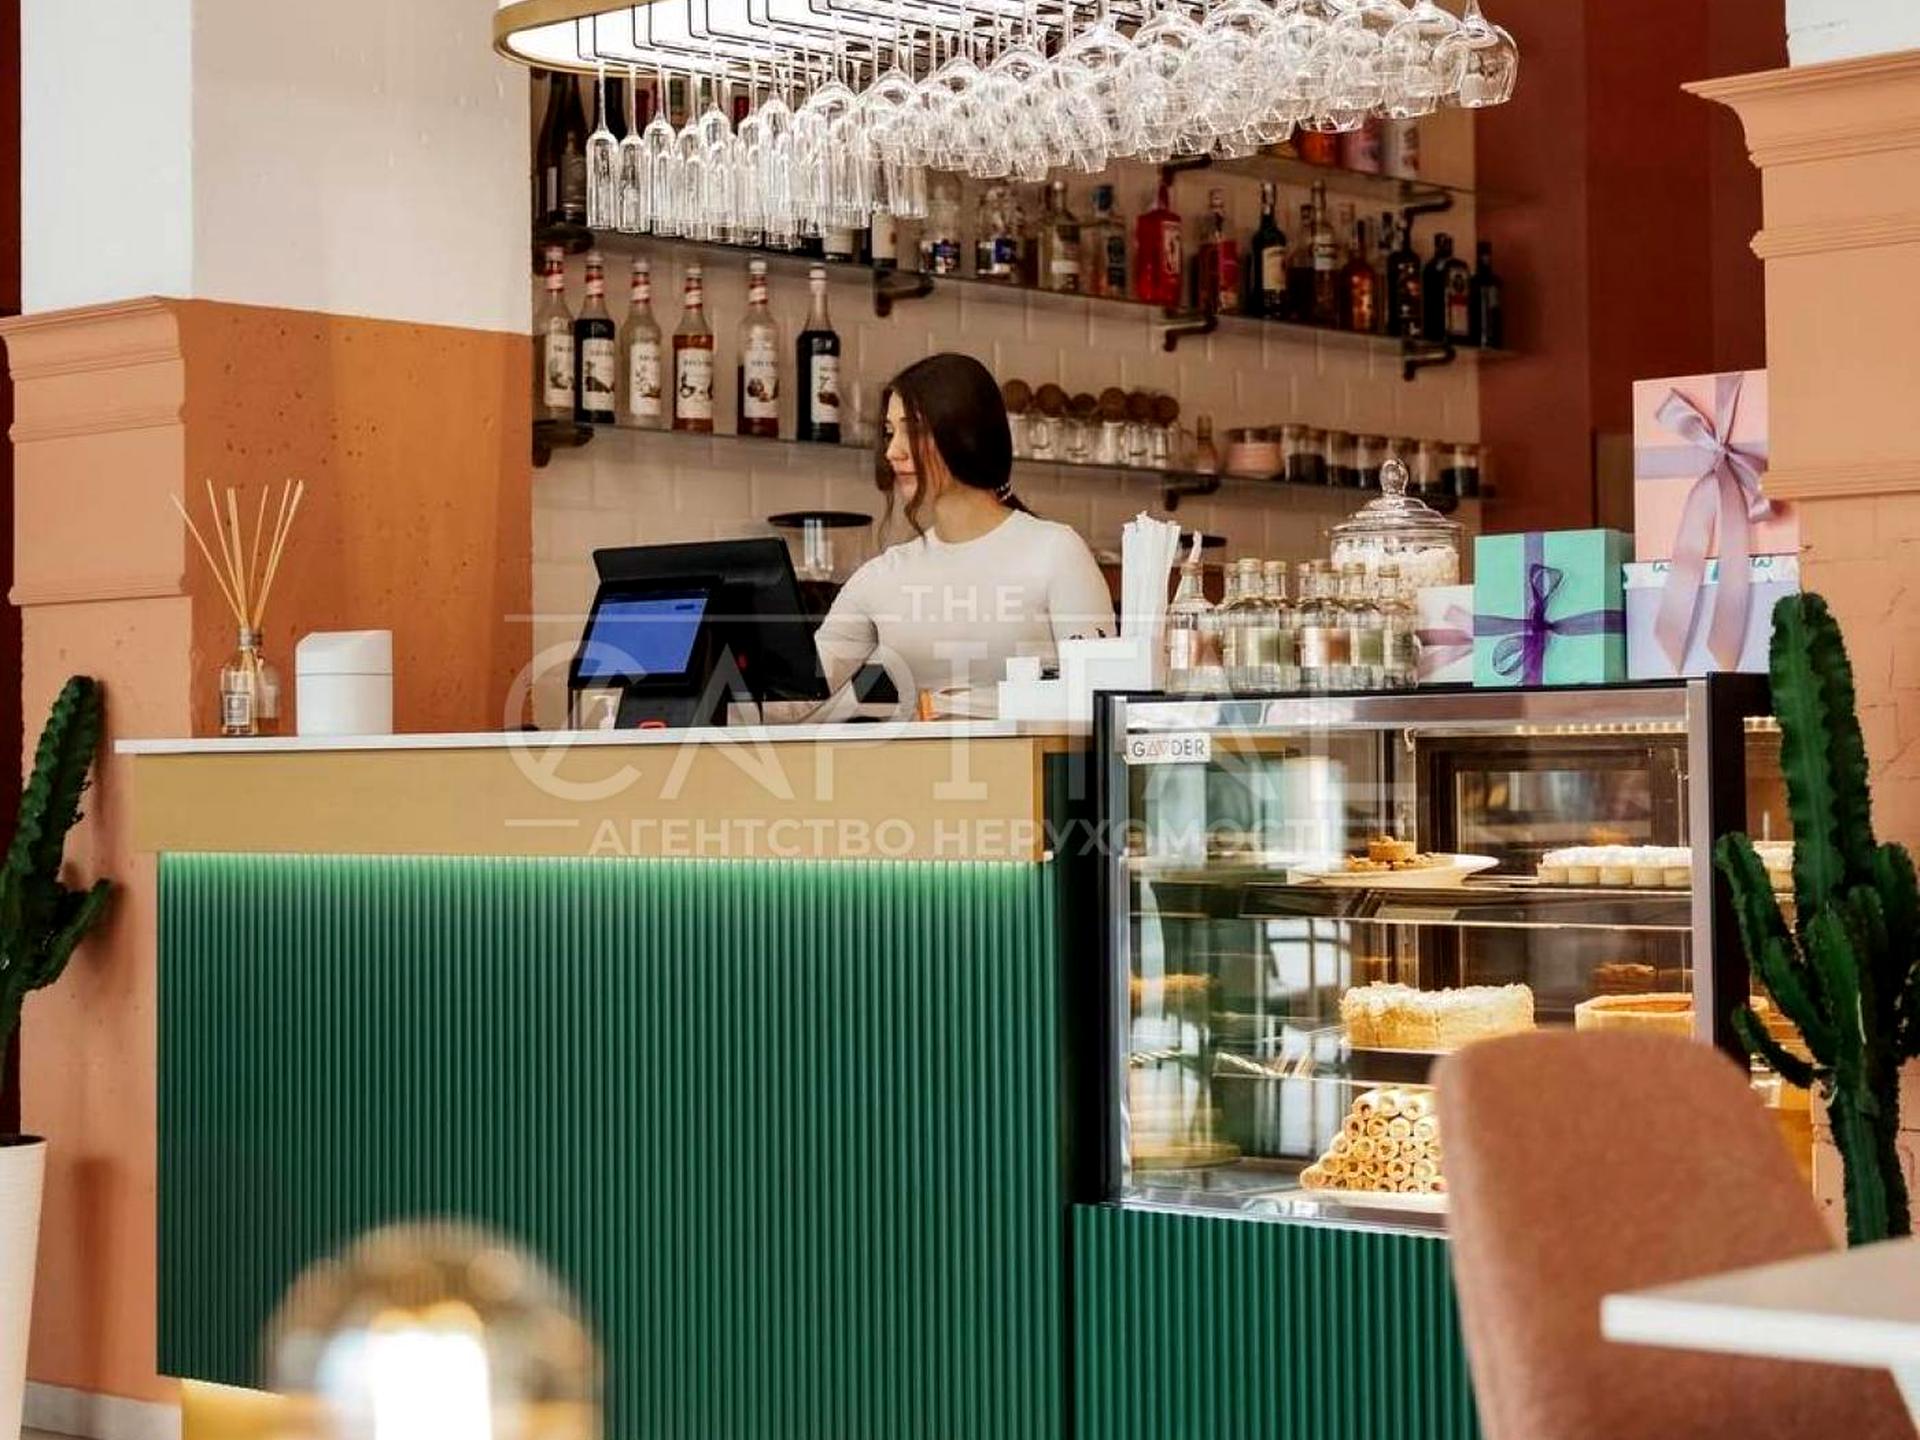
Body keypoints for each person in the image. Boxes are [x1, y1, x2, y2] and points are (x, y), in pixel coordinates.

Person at [813, 353, 1115, 710]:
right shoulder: (883, 575)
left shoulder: (1056, 552)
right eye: (890, 433)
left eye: (915, 430)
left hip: (1031, 749)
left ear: (966, 434)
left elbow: (1101, 702)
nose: (893, 451)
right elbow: (799, 695)